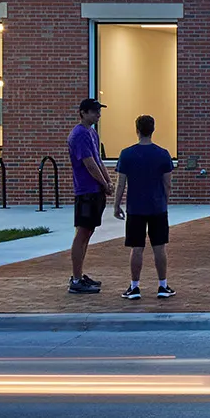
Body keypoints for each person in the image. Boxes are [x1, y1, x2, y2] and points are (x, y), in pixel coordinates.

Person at [114, 112, 176, 300]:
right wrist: (164, 201)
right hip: (157, 207)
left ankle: (134, 287)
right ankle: (162, 286)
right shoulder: (163, 154)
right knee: (159, 247)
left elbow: (120, 183)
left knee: (137, 247)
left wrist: (116, 205)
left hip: (135, 208)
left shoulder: (127, 154)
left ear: (137, 130)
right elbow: (167, 183)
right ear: (153, 130)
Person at [67, 96, 113, 295]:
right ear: (83, 113)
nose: (98, 114)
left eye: (99, 110)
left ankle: (80, 274)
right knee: (82, 233)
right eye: (94, 111)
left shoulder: (92, 133)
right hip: (86, 190)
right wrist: (103, 183)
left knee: (88, 232)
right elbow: (88, 163)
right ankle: (76, 279)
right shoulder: (79, 134)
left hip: (96, 190)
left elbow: (99, 160)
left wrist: (108, 182)